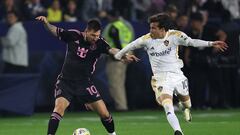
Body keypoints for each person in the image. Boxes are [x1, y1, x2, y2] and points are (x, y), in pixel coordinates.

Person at [114, 13, 227, 135]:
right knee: (167, 106)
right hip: (160, 78)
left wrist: (211, 43)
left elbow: (192, 42)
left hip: (177, 75)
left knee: (187, 103)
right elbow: (129, 46)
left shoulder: (175, 35)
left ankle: (185, 108)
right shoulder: (146, 39)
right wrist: (120, 56)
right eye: (150, 27)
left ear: (162, 29)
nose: (150, 30)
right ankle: (178, 131)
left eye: (153, 28)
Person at [35, 16, 136, 135]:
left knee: (105, 114)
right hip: (65, 82)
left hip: (84, 83)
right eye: (93, 35)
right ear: (86, 31)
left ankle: (113, 134)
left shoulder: (100, 43)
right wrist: (46, 23)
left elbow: (112, 50)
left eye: (98, 35)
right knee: (58, 109)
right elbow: (54, 30)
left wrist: (123, 55)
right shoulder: (73, 35)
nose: (95, 38)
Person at [103, 10, 135, 111]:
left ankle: (121, 106)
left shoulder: (113, 26)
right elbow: (132, 40)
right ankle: (122, 105)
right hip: (127, 55)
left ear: (111, 17)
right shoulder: (127, 25)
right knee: (120, 83)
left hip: (116, 57)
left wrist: (119, 55)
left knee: (115, 84)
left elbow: (114, 41)